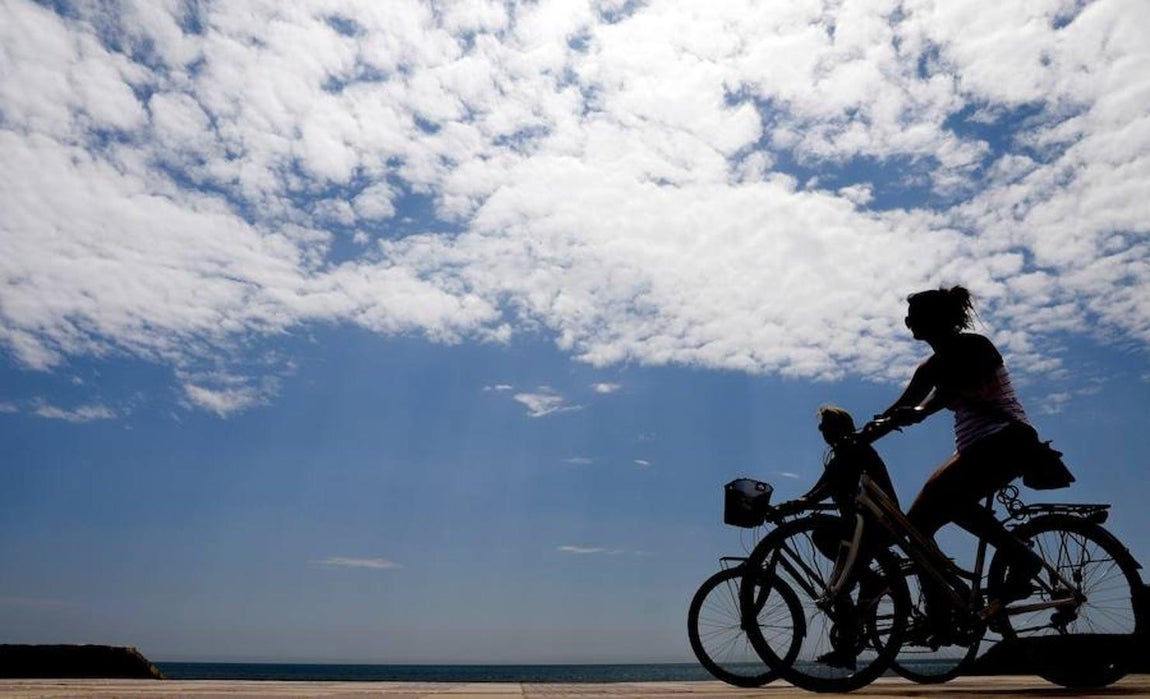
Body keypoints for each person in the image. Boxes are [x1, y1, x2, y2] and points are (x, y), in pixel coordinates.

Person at [880, 285, 1055, 644]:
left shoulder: (976, 347)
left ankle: (1021, 559)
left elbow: (954, 390)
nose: (907, 320)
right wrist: (865, 434)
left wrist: (922, 411)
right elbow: (902, 406)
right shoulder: (929, 367)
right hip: (977, 448)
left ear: (934, 319)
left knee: (941, 508)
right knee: (916, 528)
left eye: (914, 314)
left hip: (1007, 438)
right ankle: (943, 612)